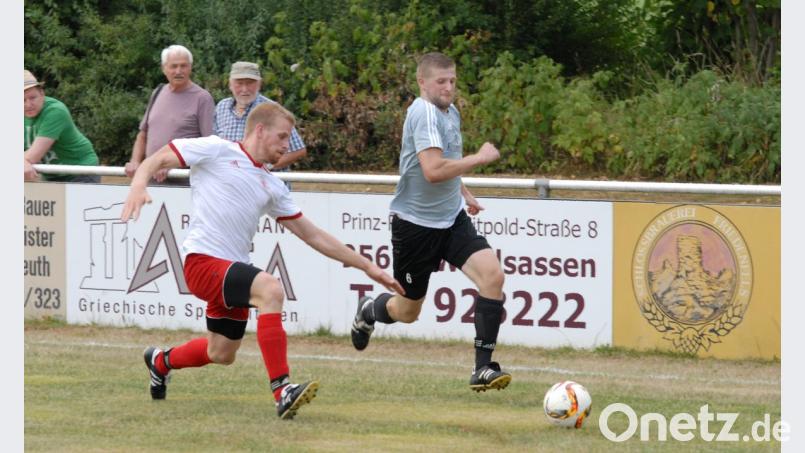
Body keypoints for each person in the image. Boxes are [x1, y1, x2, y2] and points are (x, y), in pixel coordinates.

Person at [120, 102, 404, 419]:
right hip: (201, 262)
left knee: (222, 352)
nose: (286, 146)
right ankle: (282, 391)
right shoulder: (216, 149)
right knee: (270, 289)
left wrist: (368, 267)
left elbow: (314, 235)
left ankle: (160, 361)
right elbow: (158, 157)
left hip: (230, 271)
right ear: (260, 130)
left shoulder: (272, 184)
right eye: (282, 137)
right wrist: (137, 184)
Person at [350, 52, 511, 392]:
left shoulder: (449, 112)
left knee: (493, 276)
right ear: (422, 82)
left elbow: (444, 163)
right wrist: (479, 159)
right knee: (407, 312)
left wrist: (463, 191)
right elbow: (433, 170)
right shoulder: (422, 113)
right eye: (441, 81)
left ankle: (483, 368)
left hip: (450, 218)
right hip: (415, 226)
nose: (449, 88)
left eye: (452, 81)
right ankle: (369, 309)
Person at [125, 45, 215, 185]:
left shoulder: (202, 98)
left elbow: (208, 145)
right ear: (164, 68)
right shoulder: (158, 92)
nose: (178, 71)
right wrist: (135, 161)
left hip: (182, 180)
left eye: (183, 66)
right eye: (173, 66)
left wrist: (172, 164)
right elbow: (143, 135)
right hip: (150, 178)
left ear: (190, 67)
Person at [214, 61, 306, 187]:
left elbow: (298, 150)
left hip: (268, 187)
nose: (244, 89)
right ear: (230, 84)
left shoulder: (272, 110)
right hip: (232, 186)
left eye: (250, 83)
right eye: (239, 83)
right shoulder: (221, 107)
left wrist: (263, 167)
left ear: (259, 84)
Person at [23, 70, 100, 183]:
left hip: (81, 171)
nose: (28, 104)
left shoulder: (55, 111)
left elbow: (33, 156)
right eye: (22, 100)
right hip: (52, 174)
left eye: (33, 98)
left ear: (42, 94)